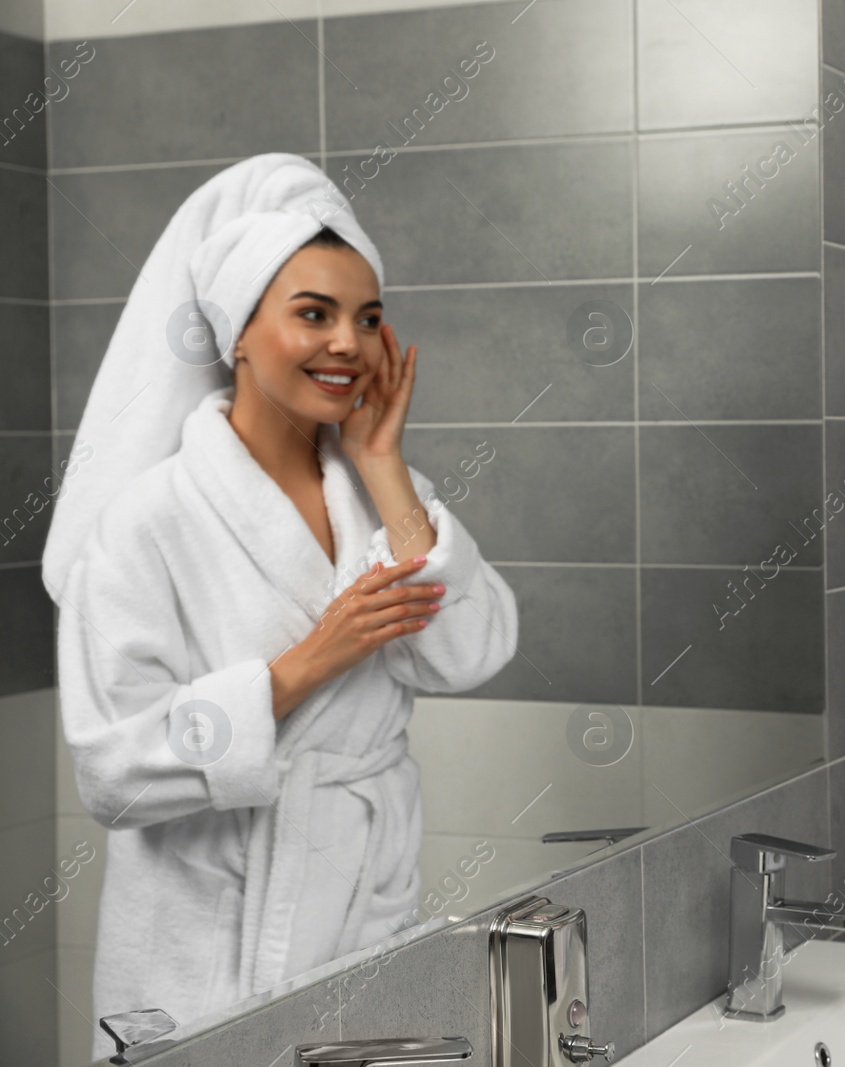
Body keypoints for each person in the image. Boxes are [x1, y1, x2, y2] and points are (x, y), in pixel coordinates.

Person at [43, 154, 519, 1060]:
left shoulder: (385, 491)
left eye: (368, 318)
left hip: (362, 920)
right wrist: (310, 660)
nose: (349, 342)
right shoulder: (146, 522)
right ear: (237, 333)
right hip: (207, 951)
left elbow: (470, 650)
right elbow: (114, 773)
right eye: (314, 313)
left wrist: (382, 465)